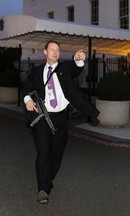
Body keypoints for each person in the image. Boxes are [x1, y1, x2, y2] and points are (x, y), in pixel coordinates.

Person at [22, 40, 100, 204]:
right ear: (45, 52)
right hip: (43, 117)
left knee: (57, 154)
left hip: (60, 118)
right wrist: (28, 99)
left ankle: (47, 180)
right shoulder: (36, 71)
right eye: (52, 49)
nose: (55, 52)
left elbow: (76, 68)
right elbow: (26, 87)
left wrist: (79, 59)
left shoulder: (64, 68)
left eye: (57, 50)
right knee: (43, 153)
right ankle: (42, 189)